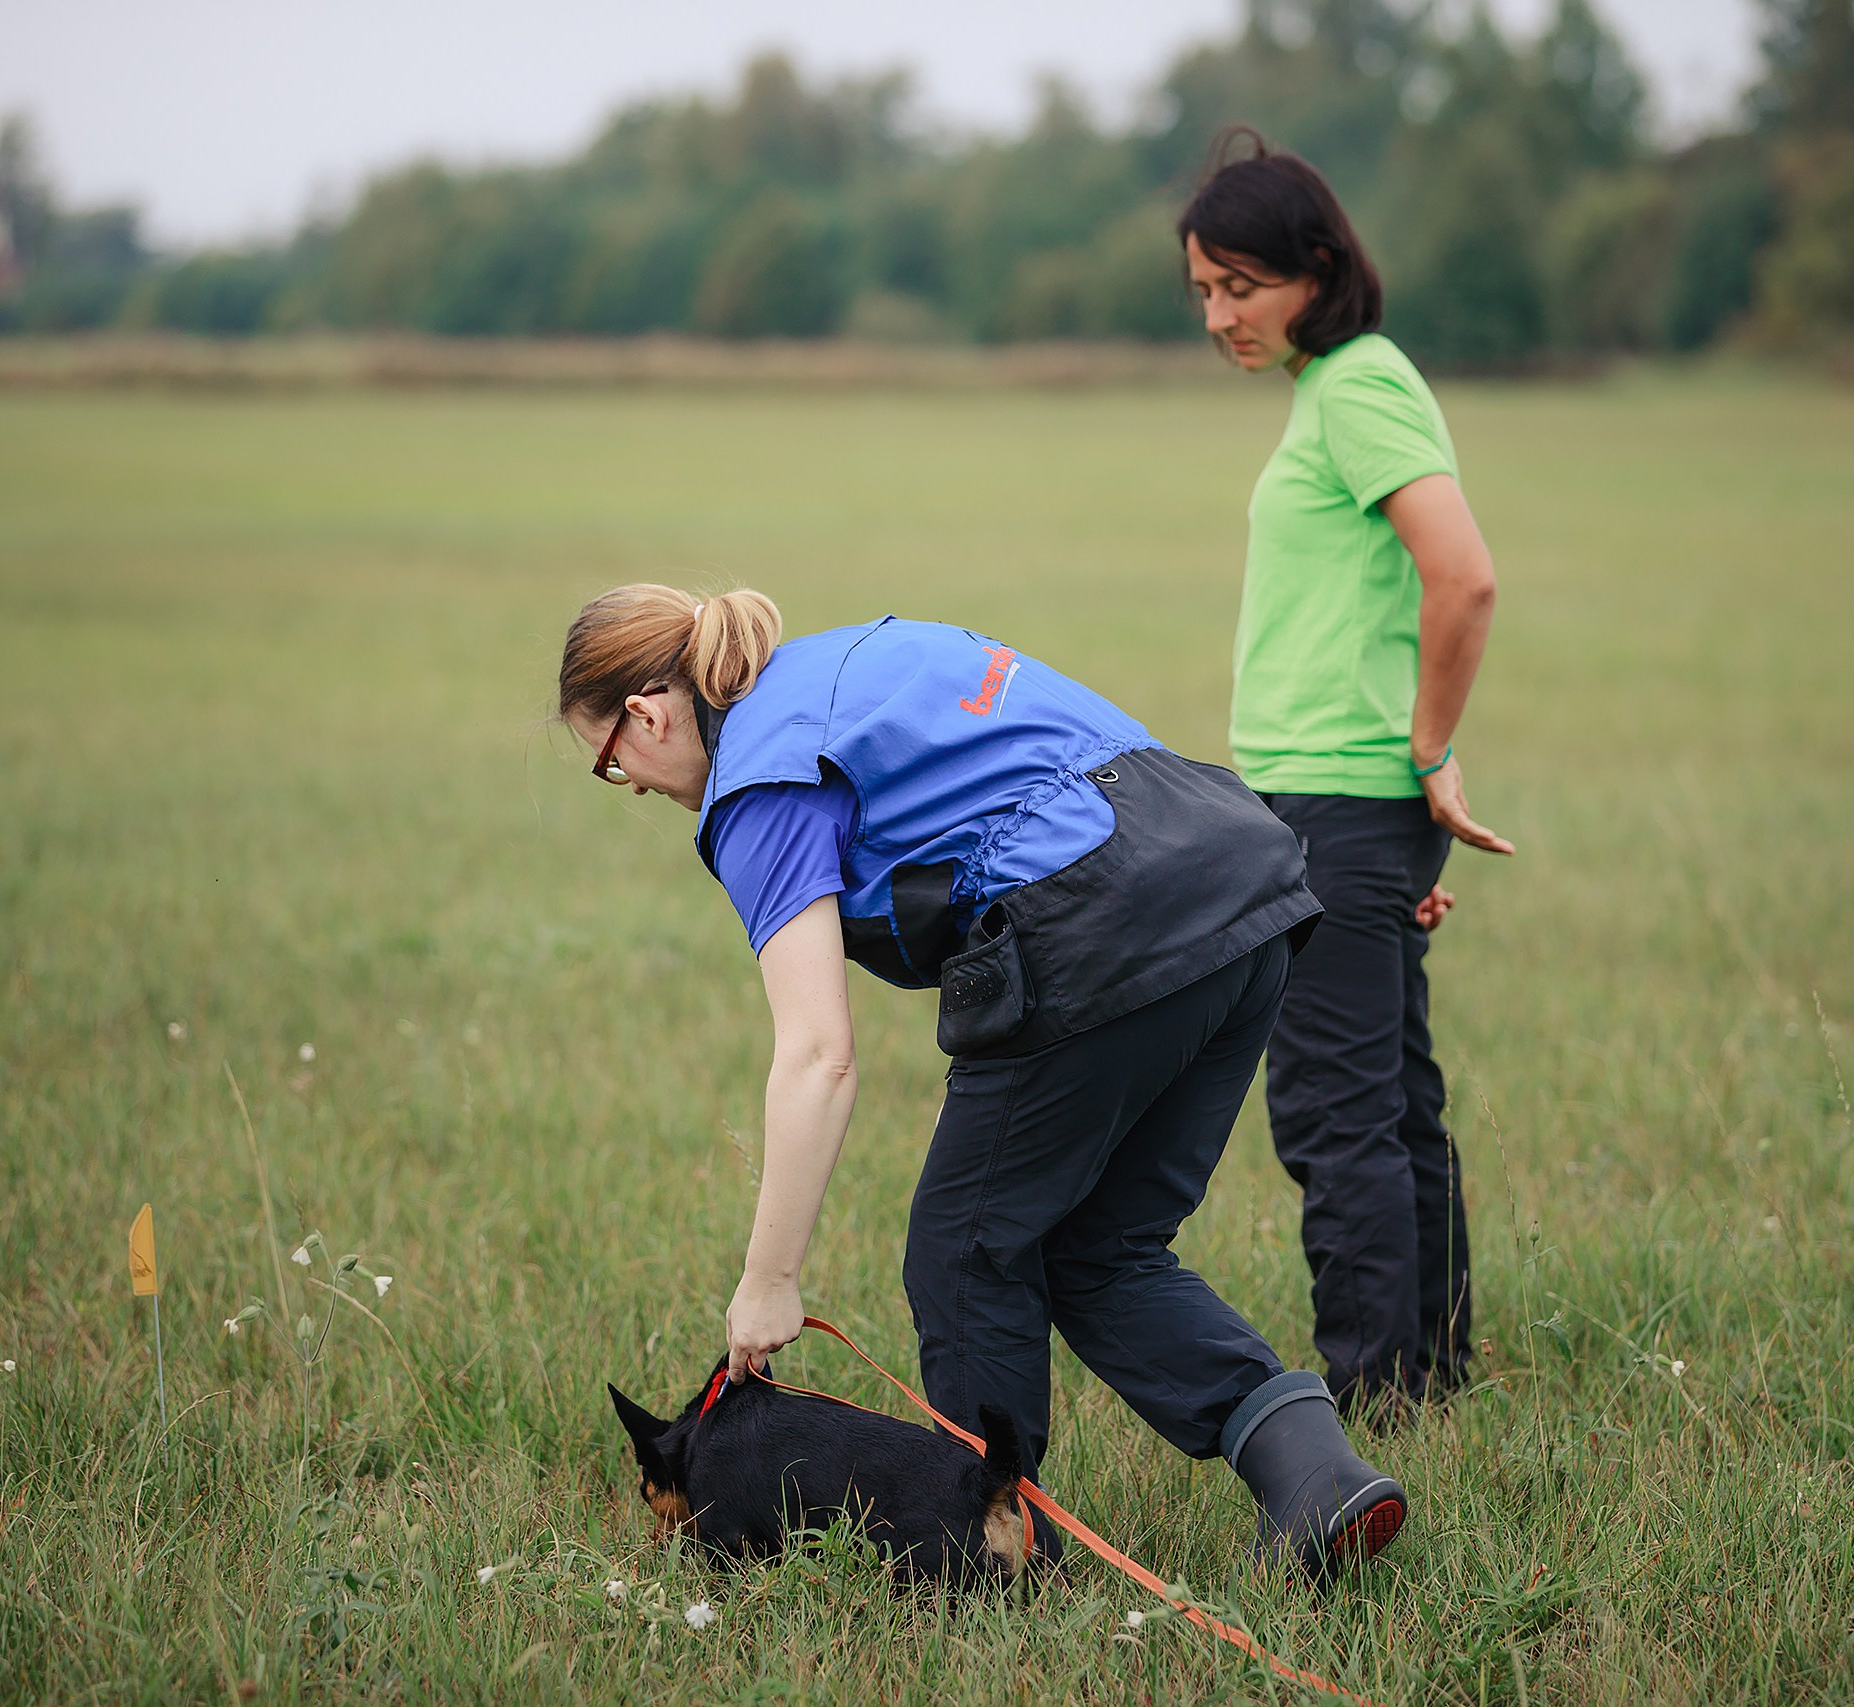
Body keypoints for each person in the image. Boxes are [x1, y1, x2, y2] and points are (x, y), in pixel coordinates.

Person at [558, 586, 1409, 1579]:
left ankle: (987, 1558)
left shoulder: (760, 777)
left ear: (648, 713)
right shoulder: (853, 661)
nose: (631, 784)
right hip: (1237, 878)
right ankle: (1313, 1476)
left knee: (963, 1251)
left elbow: (817, 1055)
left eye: (610, 762)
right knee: (1101, 1245)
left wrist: (768, 1282)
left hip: (1099, 921)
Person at [1178, 136, 1515, 1418]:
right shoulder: (1335, 386)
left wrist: (1426, 749)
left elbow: (1463, 574)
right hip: (1324, 801)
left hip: (1338, 802)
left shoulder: (1361, 385)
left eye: (1242, 286)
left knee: (1334, 1117)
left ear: (1318, 268)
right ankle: (1426, 1378)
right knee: (1391, 1101)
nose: (1221, 316)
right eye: (1204, 291)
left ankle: (1374, 1403)